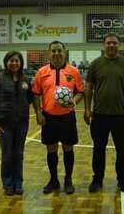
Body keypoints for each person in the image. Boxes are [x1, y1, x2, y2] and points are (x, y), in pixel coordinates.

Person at [84, 32, 124, 193]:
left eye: (114, 43)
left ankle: (122, 180)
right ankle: (97, 179)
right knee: (98, 149)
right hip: (99, 115)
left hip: (121, 116)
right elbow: (88, 86)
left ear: (119, 45)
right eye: (108, 43)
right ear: (103, 45)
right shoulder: (96, 63)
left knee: (123, 150)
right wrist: (87, 109)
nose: (111, 45)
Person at [32, 41, 84, 195]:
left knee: (68, 148)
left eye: (59, 51)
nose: (56, 53)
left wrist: (73, 102)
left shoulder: (73, 71)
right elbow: (35, 94)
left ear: (64, 52)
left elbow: (80, 92)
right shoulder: (41, 72)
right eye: (53, 51)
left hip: (67, 117)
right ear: (49, 53)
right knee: (51, 149)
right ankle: (53, 180)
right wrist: (39, 113)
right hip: (49, 118)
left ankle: (68, 180)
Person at [0, 51, 33, 196]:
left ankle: (18, 183)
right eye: (11, 60)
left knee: (19, 155)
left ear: (21, 63)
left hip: (21, 123)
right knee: (7, 155)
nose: (14, 63)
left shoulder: (26, 79)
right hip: (4, 124)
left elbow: (31, 99)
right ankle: (8, 184)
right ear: (6, 62)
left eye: (17, 61)